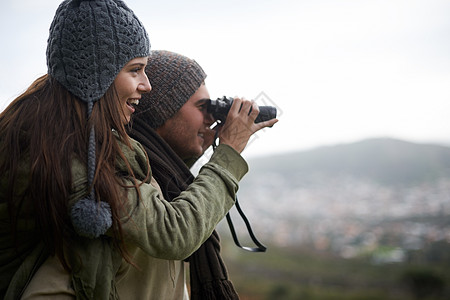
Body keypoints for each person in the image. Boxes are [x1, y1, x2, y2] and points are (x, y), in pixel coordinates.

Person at [0, 0, 272, 299]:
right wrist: (229, 152)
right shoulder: (76, 156)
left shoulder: (39, 125)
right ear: (97, 75)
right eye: (135, 70)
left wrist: (204, 140)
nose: (146, 85)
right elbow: (173, 232)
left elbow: (166, 182)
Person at [128, 50, 278, 299]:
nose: (210, 118)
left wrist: (205, 141)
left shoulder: (160, 175)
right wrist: (228, 153)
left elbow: (172, 175)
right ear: (162, 111)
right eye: (202, 107)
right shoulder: (126, 170)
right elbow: (178, 232)